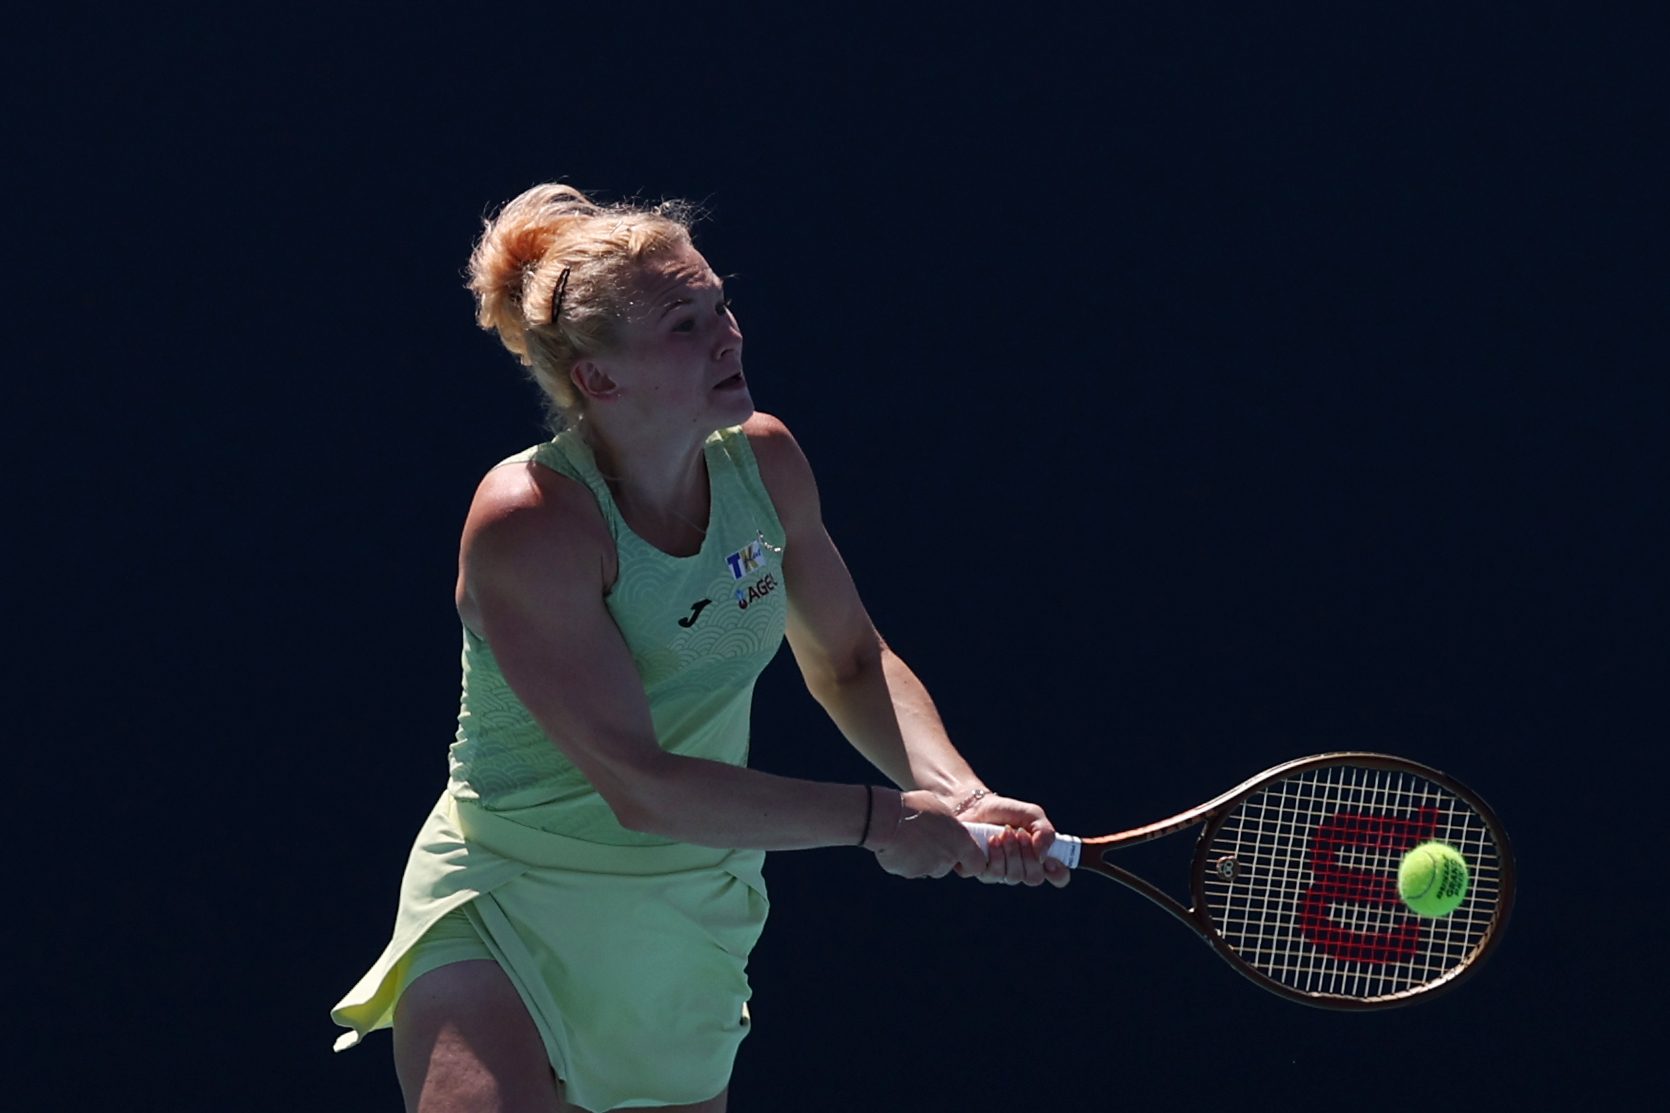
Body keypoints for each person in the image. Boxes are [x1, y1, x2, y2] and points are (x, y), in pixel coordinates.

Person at [330, 182, 1069, 1113]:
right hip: (508, 898)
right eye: (686, 324)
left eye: (722, 305)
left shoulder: (765, 460)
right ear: (598, 378)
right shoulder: (531, 523)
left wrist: (960, 797)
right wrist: (886, 819)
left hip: (690, 914)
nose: (730, 335)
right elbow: (639, 786)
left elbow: (846, 660)